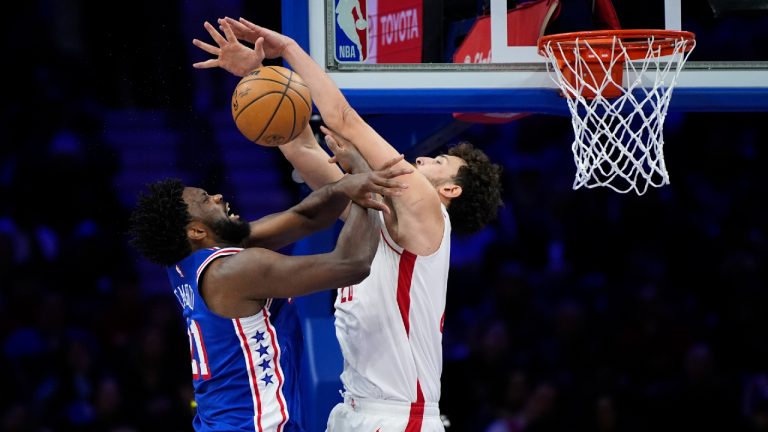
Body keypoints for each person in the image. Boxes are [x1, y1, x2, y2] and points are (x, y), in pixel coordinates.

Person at [192, 17, 503, 431]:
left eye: (440, 162)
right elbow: (303, 149)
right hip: (355, 409)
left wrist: (286, 49)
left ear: (450, 192)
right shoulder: (375, 209)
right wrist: (257, 76)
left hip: (397, 417)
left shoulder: (428, 211)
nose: (425, 159)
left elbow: (342, 117)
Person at [127, 143, 412, 432]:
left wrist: (343, 186)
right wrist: (367, 179)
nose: (217, 196)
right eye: (206, 200)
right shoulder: (235, 272)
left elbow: (305, 218)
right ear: (197, 231)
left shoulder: (185, 263)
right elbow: (353, 263)